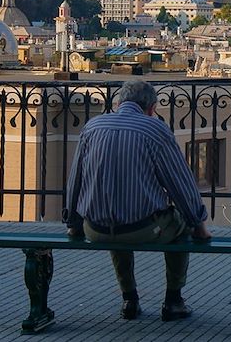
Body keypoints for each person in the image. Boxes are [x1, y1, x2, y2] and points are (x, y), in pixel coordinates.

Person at [65, 79, 211, 321]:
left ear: (118, 103)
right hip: (144, 228)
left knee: (114, 215)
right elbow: (180, 184)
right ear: (152, 108)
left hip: (96, 229)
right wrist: (199, 225)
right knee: (179, 226)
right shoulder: (155, 130)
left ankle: (129, 298)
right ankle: (173, 300)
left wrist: (73, 223)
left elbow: (75, 179)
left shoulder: (93, 127)